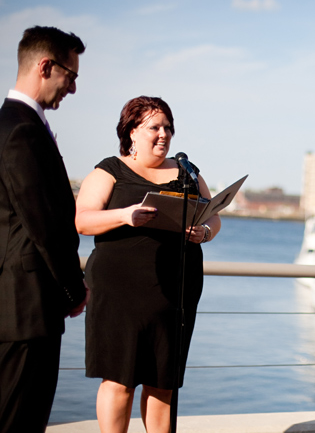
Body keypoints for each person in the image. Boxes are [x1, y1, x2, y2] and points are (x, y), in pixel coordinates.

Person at [0, 26, 88, 432]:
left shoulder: (12, 123)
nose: (74, 88)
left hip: (19, 302)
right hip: (27, 303)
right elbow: (43, 223)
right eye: (72, 76)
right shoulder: (22, 130)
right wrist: (74, 288)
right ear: (46, 66)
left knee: (15, 419)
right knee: (17, 421)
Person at [75, 96, 221, 433]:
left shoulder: (187, 171)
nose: (163, 134)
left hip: (175, 292)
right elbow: (82, 221)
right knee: (119, 380)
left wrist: (205, 232)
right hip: (119, 291)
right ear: (131, 132)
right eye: (154, 126)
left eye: (168, 127)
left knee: (163, 382)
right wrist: (125, 215)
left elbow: (213, 215)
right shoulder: (110, 170)